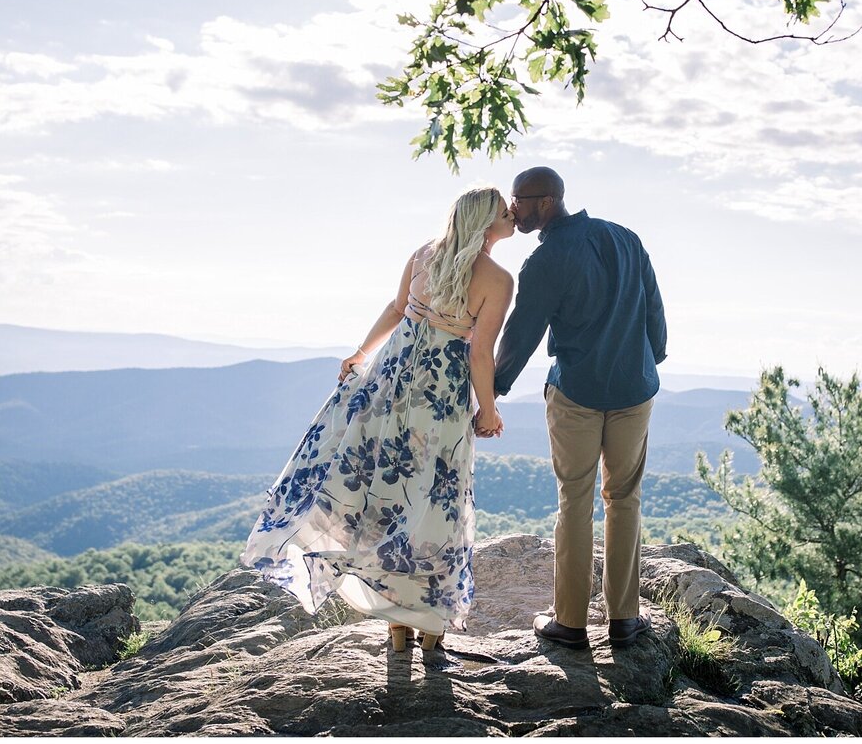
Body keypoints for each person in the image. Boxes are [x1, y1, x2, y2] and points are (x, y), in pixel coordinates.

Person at [241, 186, 515, 653]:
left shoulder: (424, 253)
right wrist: (487, 408)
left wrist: (362, 352)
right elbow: (480, 351)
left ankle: (396, 628)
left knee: (382, 491)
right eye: (506, 212)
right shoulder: (498, 279)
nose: (513, 217)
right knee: (434, 496)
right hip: (439, 394)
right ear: (489, 224)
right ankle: (429, 628)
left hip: (390, 378)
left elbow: (396, 309)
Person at [492, 166, 667, 650]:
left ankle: (570, 623)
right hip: (635, 390)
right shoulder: (626, 239)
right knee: (624, 498)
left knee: (576, 499)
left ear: (545, 202)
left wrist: (492, 391)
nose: (513, 210)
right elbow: (654, 309)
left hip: (577, 395)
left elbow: (521, 333)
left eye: (519, 201)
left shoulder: (547, 260)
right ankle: (625, 620)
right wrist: (649, 360)